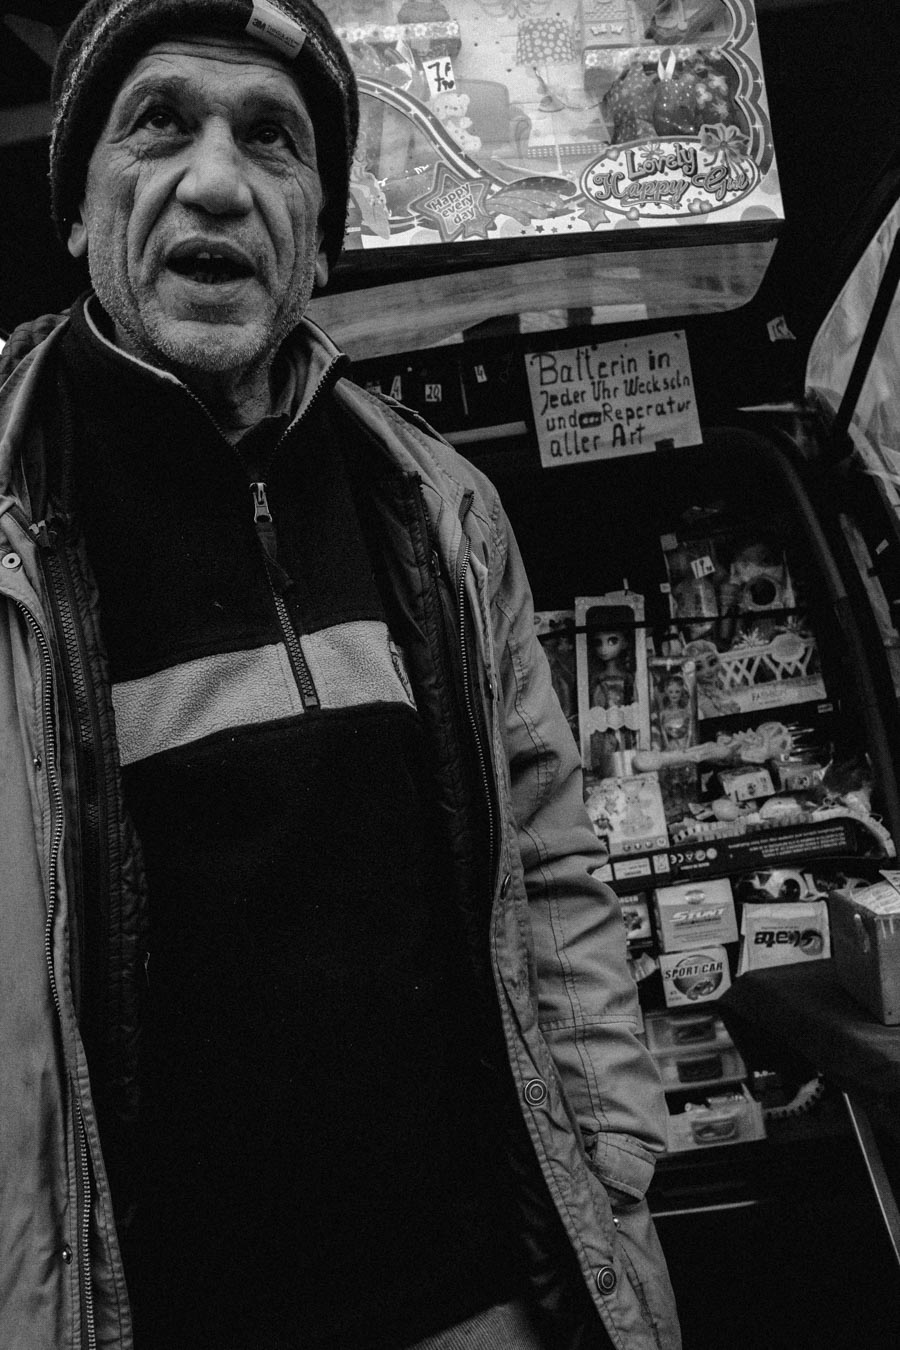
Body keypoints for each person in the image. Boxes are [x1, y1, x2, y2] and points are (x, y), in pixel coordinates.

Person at [0, 2, 681, 1348]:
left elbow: (551, 859)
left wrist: (611, 1160)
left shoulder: (435, 506)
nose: (215, 181)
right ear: (77, 207)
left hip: (483, 1298)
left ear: (317, 236)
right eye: (158, 123)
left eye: (271, 137)